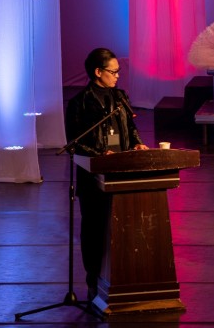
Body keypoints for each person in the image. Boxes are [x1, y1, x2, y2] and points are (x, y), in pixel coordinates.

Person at [65, 48, 149, 301]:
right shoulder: (79, 103)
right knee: (94, 230)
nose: (117, 76)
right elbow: (75, 142)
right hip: (93, 178)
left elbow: (131, 127)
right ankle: (93, 281)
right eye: (113, 72)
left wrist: (137, 143)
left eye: (118, 71)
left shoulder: (120, 97)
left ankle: (124, 280)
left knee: (124, 228)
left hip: (122, 172)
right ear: (97, 72)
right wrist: (101, 154)